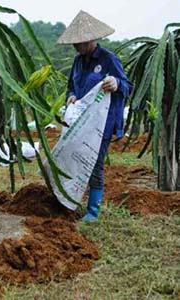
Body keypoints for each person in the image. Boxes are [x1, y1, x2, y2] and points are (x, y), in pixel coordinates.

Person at [57, 10, 133, 222]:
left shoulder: (109, 59)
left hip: (103, 123)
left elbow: (128, 86)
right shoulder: (78, 61)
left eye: (79, 42)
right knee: (75, 159)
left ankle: (93, 210)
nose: (76, 46)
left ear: (91, 39)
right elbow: (71, 86)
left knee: (95, 163)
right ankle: (72, 200)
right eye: (74, 43)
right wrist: (71, 96)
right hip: (80, 122)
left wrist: (117, 84)